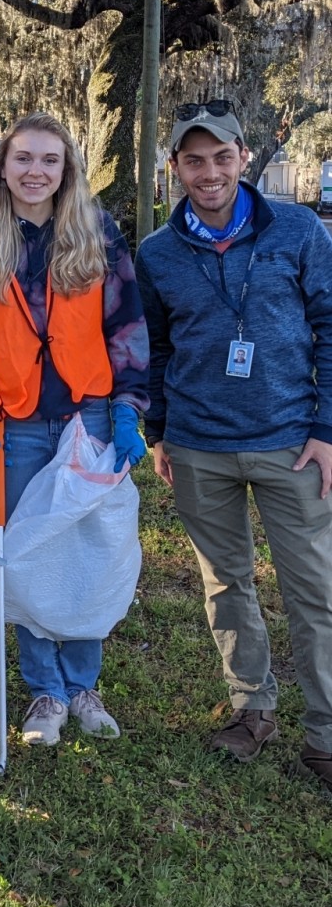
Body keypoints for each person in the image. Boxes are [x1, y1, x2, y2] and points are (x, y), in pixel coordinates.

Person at [135, 99, 332, 792]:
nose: (209, 171)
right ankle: (252, 707)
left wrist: (326, 429)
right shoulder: (156, 254)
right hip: (198, 444)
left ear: (244, 158)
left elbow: (331, 326)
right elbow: (155, 350)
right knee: (226, 584)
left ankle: (326, 735)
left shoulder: (299, 230)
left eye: (222, 157)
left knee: (315, 591)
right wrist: (158, 431)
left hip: (291, 443)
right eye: (194, 160)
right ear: (176, 168)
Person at [0, 112, 149, 746]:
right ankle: (45, 693)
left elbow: (127, 325)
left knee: (86, 549)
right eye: (23, 158)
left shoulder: (98, 234)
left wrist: (128, 405)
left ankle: (83, 684)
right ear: (3, 166)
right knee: (27, 553)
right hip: (16, 418)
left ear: (66, 170)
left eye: (49, 160)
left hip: (89, 413)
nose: (36, 171)